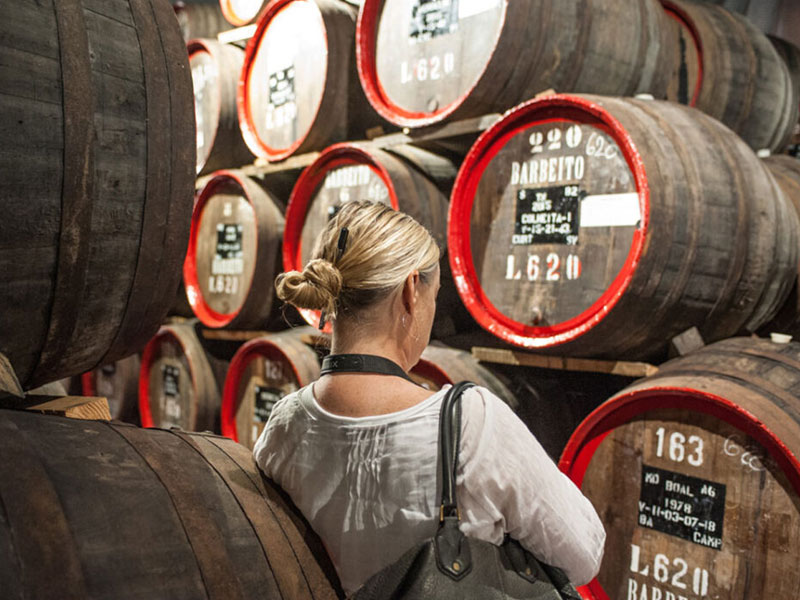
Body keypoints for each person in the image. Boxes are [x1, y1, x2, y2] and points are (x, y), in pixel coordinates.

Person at [253, 200, 605, 596]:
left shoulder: (283, 425)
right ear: (409, 292)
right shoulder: (470, 423)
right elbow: (584, 554)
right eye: (433, 295)